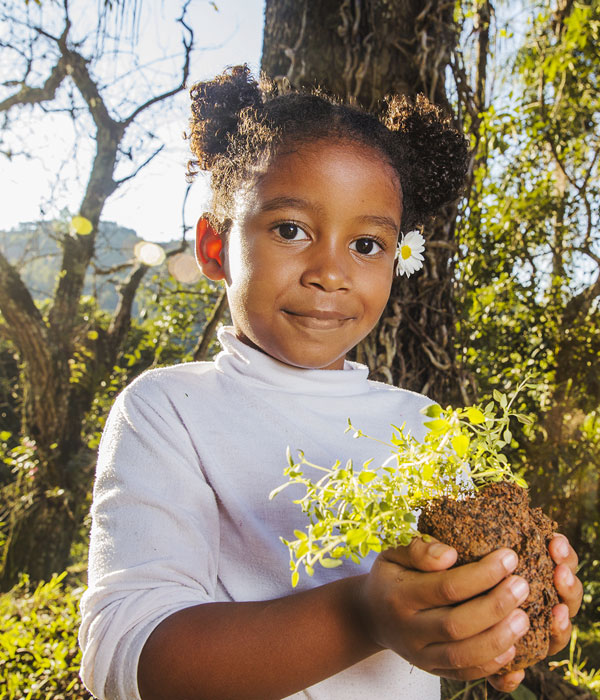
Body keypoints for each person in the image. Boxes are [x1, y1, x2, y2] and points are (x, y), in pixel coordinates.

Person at [79, 65, 582, 700]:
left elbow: (440, 613)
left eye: (368, 245)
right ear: (214, 247)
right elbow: (125, 661)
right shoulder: (169, 410)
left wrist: (507, 610)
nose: (331, 273)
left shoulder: (426, 424)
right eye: (290, 230)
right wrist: (361, 615)